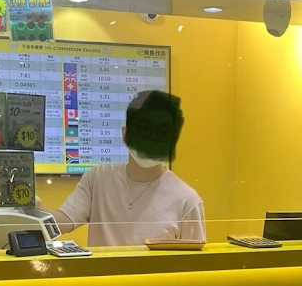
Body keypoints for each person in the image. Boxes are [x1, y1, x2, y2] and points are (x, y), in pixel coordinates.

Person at [39, 90, 206, 247]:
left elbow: (194, 264)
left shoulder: (187, 201)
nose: (152, 139)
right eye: (144, 129)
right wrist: (33, 206)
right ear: (125, 134)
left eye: (162, 133)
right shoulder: (98, 178)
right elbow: (63, 223)